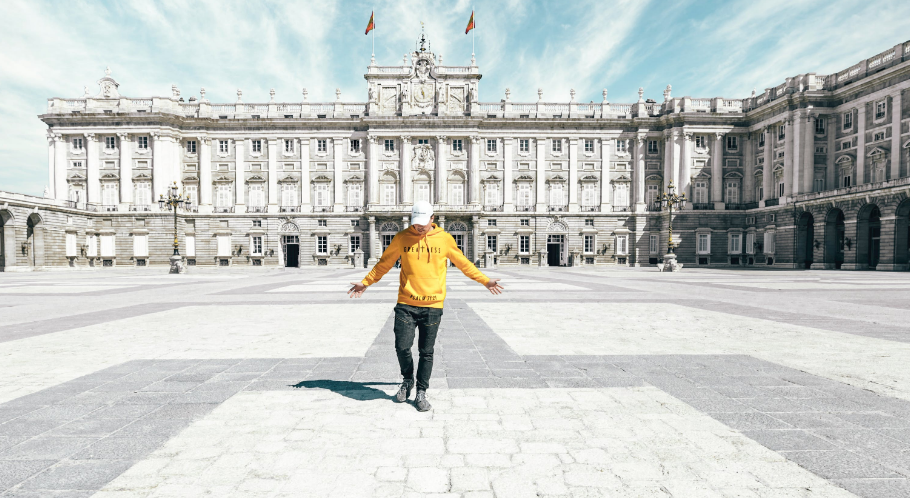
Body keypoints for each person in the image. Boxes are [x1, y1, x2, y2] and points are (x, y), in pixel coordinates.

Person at [347, 201, 503, 411]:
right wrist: (365, 282)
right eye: (416, 223)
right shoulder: (402, 237)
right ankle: (407, 380)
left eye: (423, 222)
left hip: (433, 305)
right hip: (406, 303)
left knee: (426, 351)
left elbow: (464, 263)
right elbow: (384, 263)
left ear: (432, 218)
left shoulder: (445, 239)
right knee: (402, 347)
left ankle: (421, 391)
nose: (419, 227)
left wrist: (485, 281)